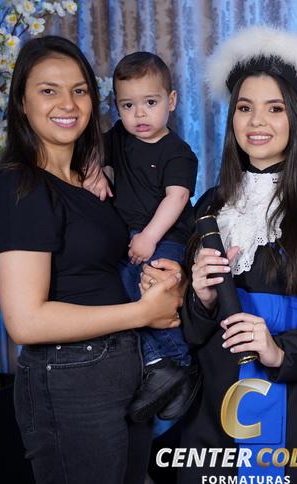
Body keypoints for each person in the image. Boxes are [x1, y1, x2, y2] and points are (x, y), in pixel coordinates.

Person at [0, 36, 184, 484]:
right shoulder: (18, 188)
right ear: (22, 103)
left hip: (124, 366)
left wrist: (168, 276)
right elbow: (26, 322)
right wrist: (143, 312)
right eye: (48, 91)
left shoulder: (88, 180)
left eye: (79, 90)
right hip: (70, 377)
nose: (67, 104)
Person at [174, 26, 297, 484]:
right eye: (245, 108)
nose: (257, 121)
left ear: (296, 119)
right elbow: (192, 332)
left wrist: (278, 349)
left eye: (274, 108)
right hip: (215, 408)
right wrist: (200, 300)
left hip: (296, 411)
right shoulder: (209, 206)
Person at [84, 52, 199, 422]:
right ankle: (157, 364)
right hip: (130, 236)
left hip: (166, 236)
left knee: (149, 286)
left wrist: (149, 237)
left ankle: (179, 363)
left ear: (171, 101)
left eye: (150, 102)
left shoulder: (177, 152)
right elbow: (91, 148)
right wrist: (95, 169)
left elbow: (176, 198)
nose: (139, 115)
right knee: (120, 290)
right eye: (128, 105)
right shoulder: (119, 137)